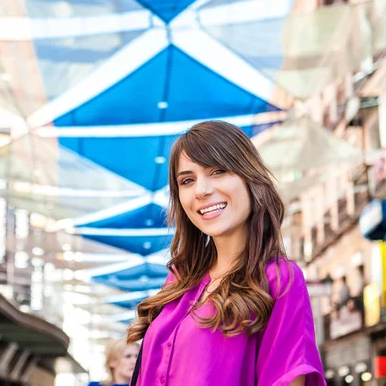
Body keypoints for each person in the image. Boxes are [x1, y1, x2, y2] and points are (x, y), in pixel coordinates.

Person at [127, 121, 325, 385]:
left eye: (218, 171)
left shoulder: (279, 280)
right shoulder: (179, 280)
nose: (201, 190)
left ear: (249, 177)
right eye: (187, 180)